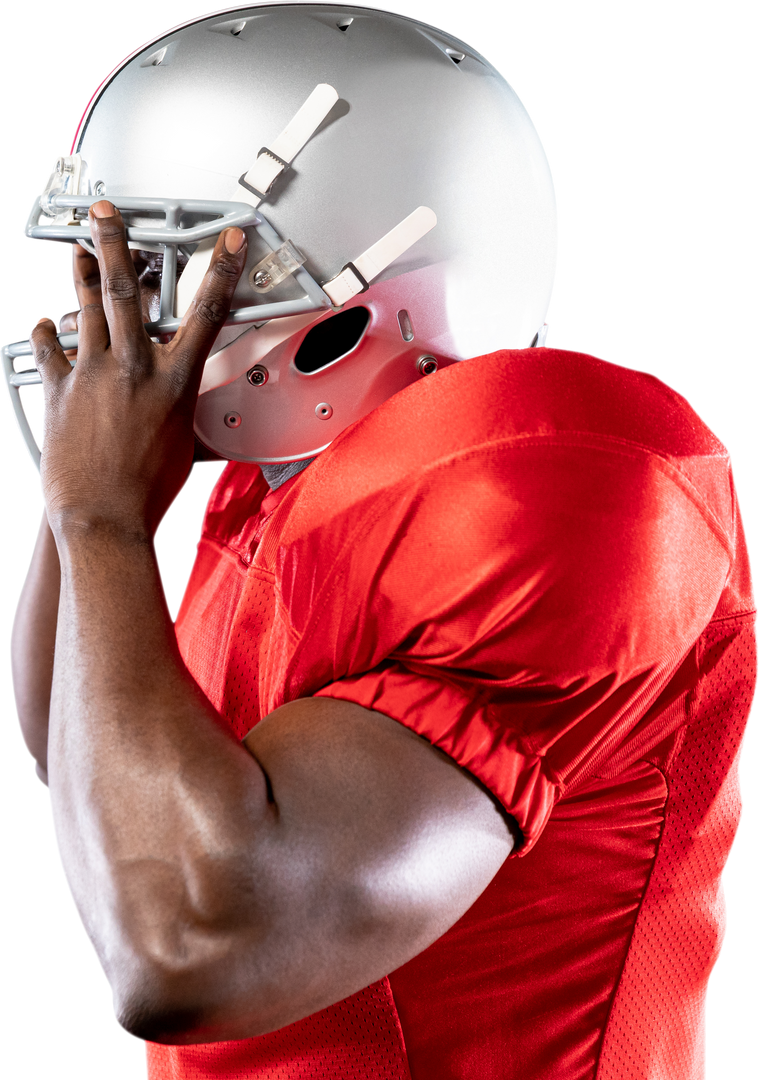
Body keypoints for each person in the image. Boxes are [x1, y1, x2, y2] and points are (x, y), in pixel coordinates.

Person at [3, 4, 755, 1078]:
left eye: (174, 276)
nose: (125, 332)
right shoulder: (274, 499)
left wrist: (100, 517)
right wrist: (91, 511)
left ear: (376, 260)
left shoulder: (551, 478)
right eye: (118, 275)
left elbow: (188, 950)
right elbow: (81, 763)